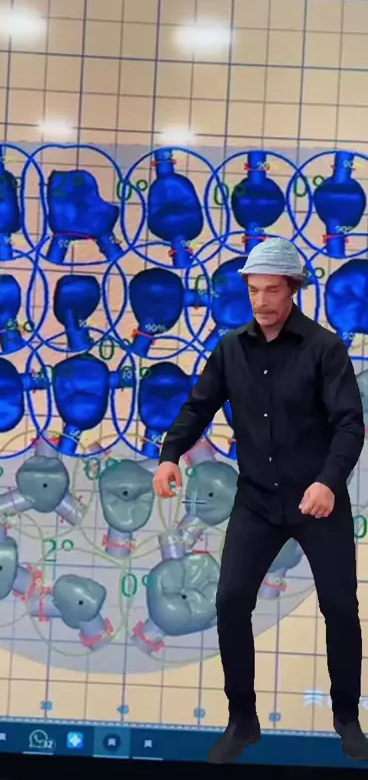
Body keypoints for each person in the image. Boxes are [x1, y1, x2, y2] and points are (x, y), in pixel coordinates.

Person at [153, 238, 367, 764]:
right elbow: (198, 406)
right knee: (230, 601)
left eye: (272, 290)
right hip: (256, 500)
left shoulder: (324, 349)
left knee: (340, 606)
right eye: (253, 290)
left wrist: (328, 481)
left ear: (292, 290)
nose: (262, 301)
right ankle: (242, 720)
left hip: (317, 498)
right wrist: (169, 454)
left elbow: (350, 425)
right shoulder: (231, 349)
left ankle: (346, 717)